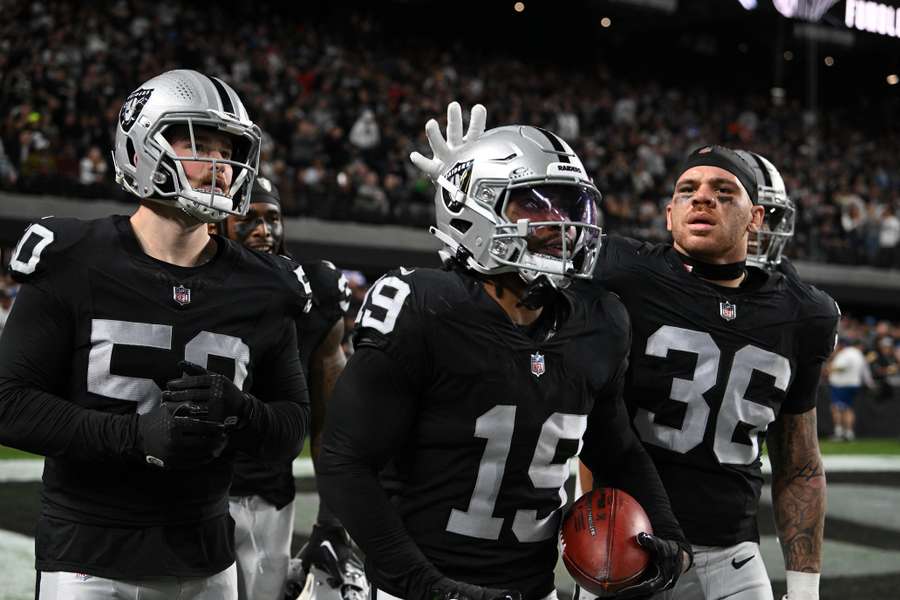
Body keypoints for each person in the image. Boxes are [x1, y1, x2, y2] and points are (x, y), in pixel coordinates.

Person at [318, 103, 692, 600]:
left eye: (569, 207)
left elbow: (616, 450)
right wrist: (430, 588)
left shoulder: (599, 320)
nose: (560, 224)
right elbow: (346, 461)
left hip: (533, 589)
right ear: (475, 209)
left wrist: (669, 532)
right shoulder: (424, 308)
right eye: (535, 205)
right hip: (418, 589)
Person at [0, 69, 311, 600]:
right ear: (140, 145)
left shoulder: (264, 284)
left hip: (207, 561)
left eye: (229, 148)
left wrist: (240, 411)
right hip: (88, 561)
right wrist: (135, 437)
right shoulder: (74, 259)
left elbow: (291, 424)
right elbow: (8, 404)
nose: (220, 165)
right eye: (198, 143)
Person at [570, 144, 839, 600]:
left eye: (723, 191)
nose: (702, 198)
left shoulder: (802, 314)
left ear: (756, 218)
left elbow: (799, 464)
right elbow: (524, 261)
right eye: (688, 190)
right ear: (670, 214)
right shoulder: (621, 270)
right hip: (627, 544)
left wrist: (805, 588)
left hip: (732, 557)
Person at [214, 175, 365, 600]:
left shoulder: (315, 291)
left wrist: (333, 520)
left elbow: (331, 423)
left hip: (271, 499)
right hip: (200, 492)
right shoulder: (191, 281)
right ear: (218, 222)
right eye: (249, 218)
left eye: (273, 218)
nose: (264, 231)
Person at [827, 337, 873, 441]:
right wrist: (870, 383)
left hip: (841, 385)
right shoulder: (859, 354)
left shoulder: (846, 353)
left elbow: (841, 366)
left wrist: (830, 368)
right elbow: (865, 372)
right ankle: (849, 433)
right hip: (854, 384)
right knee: (847, 408)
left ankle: (838, 432)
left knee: (836, 408)